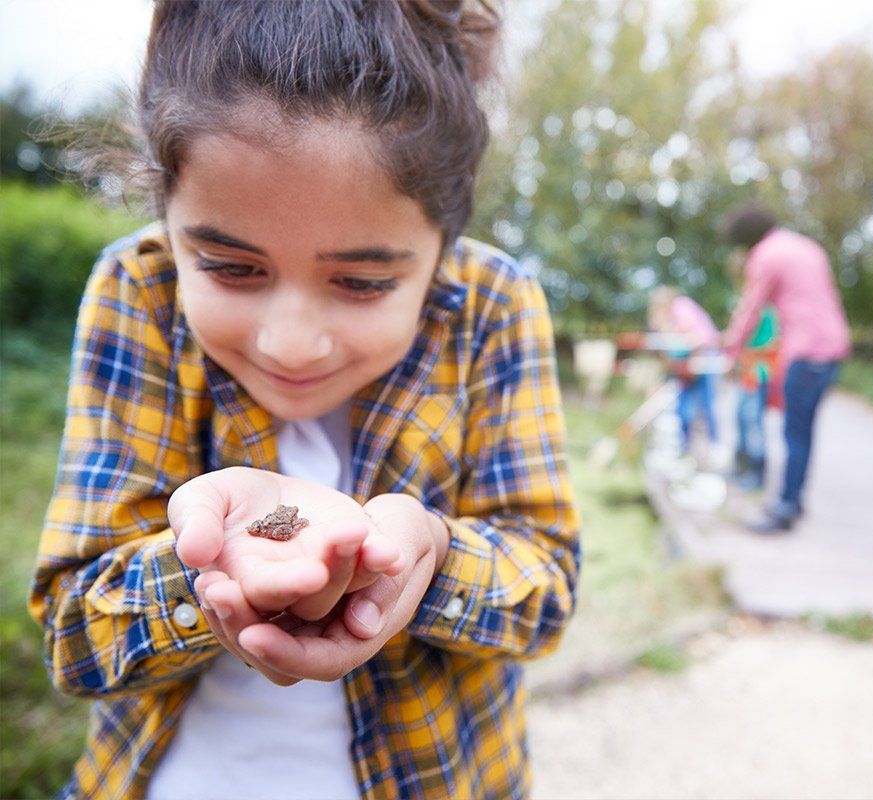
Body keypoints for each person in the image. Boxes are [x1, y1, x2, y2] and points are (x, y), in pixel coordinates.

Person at [27, 3, 580, 799]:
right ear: (169, 216)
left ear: (441, 249)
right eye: (228, 266)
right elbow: (76, 636)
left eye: (361, 282)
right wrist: (206, 568)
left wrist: (430, 555)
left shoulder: (494, 305)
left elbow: (548, 589)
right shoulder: (137, 291)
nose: (290, 342)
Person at [723, 204, 851, 531]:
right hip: (833, 345)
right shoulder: (805, 247)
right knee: (803, 431)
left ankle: (784, 508)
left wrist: (730, 350)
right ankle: (793, 501)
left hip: (806, 351)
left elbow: (751, 309)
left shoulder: (765, 257)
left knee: (794, 432)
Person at [647, 286, 721, 454]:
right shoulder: (666, 318)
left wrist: (677, 344)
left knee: (705, 407)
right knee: (684, 410)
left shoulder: (681, 307)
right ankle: (685, 449)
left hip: (703, 361)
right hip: (685, 368)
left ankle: (713, 448)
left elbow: (700, 338)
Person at [731, 306, 778, 490]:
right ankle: (742, 468)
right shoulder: (757, 309)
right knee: (742, 418)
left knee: (752, 422)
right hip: (749, 375)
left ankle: (756, 474)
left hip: (758, 375)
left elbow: (768, 344)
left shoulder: (763, 312)